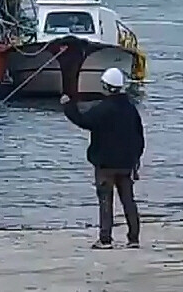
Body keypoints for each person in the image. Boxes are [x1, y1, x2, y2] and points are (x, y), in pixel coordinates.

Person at [60, 67, 145, 249]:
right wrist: (135, 159)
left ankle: (105, 239)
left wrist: (68, 106)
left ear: (105, 86)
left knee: (105, 200)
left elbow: (84, 121)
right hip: (126, 164)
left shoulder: (103, 109)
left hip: (105, 164)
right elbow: (140, 137)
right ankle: (133, 238)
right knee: (128, 200)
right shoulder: (131, 110)